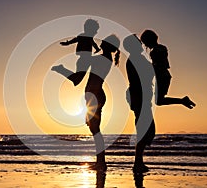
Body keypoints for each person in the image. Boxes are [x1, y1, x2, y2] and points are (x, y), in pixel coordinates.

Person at [52, 35, 120, 171]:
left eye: (104, 41)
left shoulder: (103, 59)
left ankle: (101, 162)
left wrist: (84, 43)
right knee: (94, 130)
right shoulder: (105, 58)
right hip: (94, 96)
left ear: (108, 45)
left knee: (96, 131)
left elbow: (84, 62)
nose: (101, 42)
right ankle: (100, 162)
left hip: (95, 96)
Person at [140, 29, 196, 109]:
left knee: (158, 101)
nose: (146, 46)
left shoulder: (154, 52)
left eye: (146, 43)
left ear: (149, 41)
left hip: (161, 77)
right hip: (165, 76)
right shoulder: (163, 48)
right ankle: (183, 101)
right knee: (159, 100)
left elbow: (157, 66)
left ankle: (183, 101)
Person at [124, 35, 155, 173]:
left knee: (145, 130)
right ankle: (137, 163)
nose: (141, 44)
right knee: (146, 130)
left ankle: (138, 162)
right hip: (139, 97)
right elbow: (148, 74)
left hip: (139, 97)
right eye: (138, 42)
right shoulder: (135, 59)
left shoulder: (135, 59)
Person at [52, 19, 101, 86]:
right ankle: (60, 69)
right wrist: (68, 43)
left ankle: (61, 69)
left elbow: (93, 43)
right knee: (76, 80)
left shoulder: (88, 37)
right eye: (95, 30)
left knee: (76, 80)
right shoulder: (85, 36)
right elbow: (76, 40)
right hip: (84, 60)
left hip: (85, 59)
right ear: (89, 29)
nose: (96, 32)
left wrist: (97, 49)